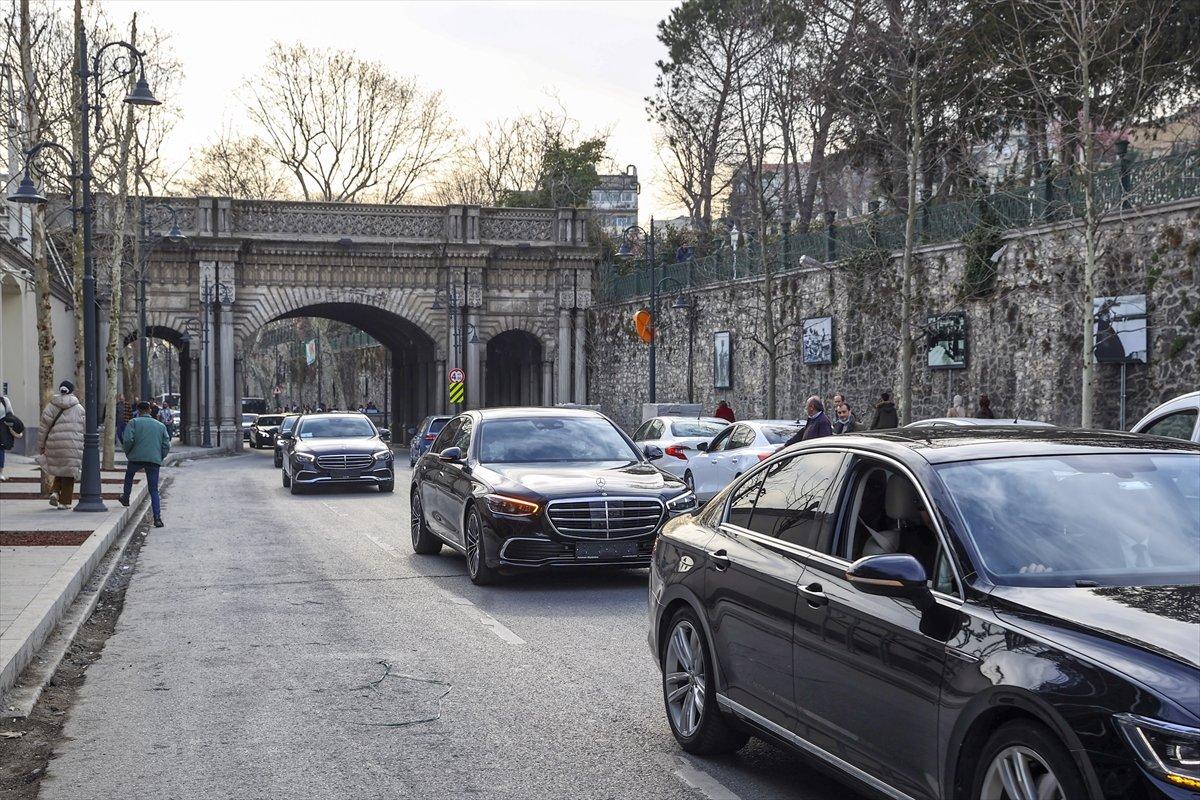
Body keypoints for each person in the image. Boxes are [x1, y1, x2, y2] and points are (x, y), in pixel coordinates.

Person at [120, 400, 171, 528]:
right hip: (153, 460)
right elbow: (166, 444)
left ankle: (126, 498)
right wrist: (160, 456)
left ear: (138, 410)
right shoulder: (160, 426)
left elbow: (127, 440)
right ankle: (157, 518)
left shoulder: (133, 423)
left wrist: (129, 453)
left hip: (135, 458)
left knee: (129, 475)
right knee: (154, 490)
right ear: (149, 410)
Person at [38, 380, 86, 509]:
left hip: (54, 444)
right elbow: (83, 428)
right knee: (69, 473)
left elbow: (44, 427)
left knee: (60, 469)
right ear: (72, 390)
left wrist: (42, 445)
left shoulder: (51, 406)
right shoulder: (79, 408)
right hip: (72, 445)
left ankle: (55, 492)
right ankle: (64, 502)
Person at [1, 395, 26, 481]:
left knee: (1, 449)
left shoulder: (4, 400)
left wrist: (12, 424)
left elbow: (10, 414)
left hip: (2, 430)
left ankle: (0, 473)